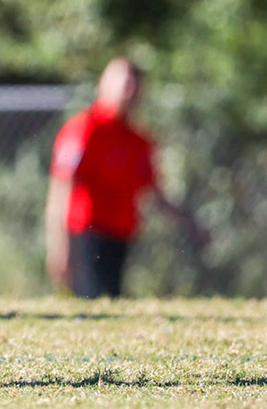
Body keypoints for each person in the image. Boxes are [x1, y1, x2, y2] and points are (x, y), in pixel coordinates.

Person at [46, 57, 201, 300]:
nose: (128, 92)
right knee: (91, 304)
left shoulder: (139, 141)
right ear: (103, 84)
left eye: (134, 86)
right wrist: (59, 247)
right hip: (87, 235)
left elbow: (154, 193)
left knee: (112, 299)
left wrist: (188, 219)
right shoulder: (82, 130)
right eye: (123, 84)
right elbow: (60, 188)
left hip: (120, 236)